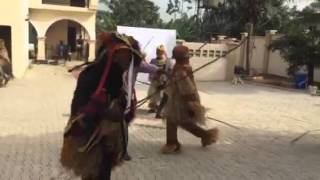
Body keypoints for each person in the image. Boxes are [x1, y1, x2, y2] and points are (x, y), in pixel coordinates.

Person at [60, 32, 144, 180]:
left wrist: (122, 109)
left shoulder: (117, 76)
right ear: (112, 54)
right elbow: (79, 106)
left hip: (108, 136)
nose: (126, 61)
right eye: (123, 56)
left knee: (103, 170)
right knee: (94, 171)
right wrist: (105, 113)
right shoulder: (91, 74)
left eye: (128, 58)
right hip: (90, 134)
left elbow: (120, 99)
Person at [161, 45, 219, 154]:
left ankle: (173, 143)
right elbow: (176, 82)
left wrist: (191, 103)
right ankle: (174, 142)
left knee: (179, 121)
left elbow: (186, 87)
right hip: (180, 99)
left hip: (183, 100)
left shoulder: (181, 69)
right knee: (176, 121)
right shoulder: (183, 67)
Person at [147, 45, 167, 113]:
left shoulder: (165, 61)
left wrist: (163, 80)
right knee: (152, 93)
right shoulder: (153, 60)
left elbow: (165, 72)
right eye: (158, 52)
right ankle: (153, 107)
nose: (159, 53)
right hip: (154, 80)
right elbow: (149, 68)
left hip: (161, 81)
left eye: (161, 52)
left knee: (160, 95)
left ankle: (158, 106)